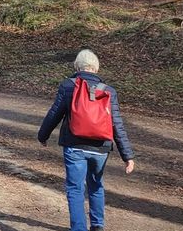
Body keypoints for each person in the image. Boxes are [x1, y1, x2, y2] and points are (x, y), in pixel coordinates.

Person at [37, 49, 136, 231]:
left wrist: (43, 136)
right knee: (96, 185)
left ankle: (79, 228)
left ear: (77, 66)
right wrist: (127, 155)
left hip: (75, 146)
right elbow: (117, 124)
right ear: (96, 69)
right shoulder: (109, 91)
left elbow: (54, 114)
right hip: (100, 148)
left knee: (75, 189)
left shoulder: (69, 86)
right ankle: (97, 225)